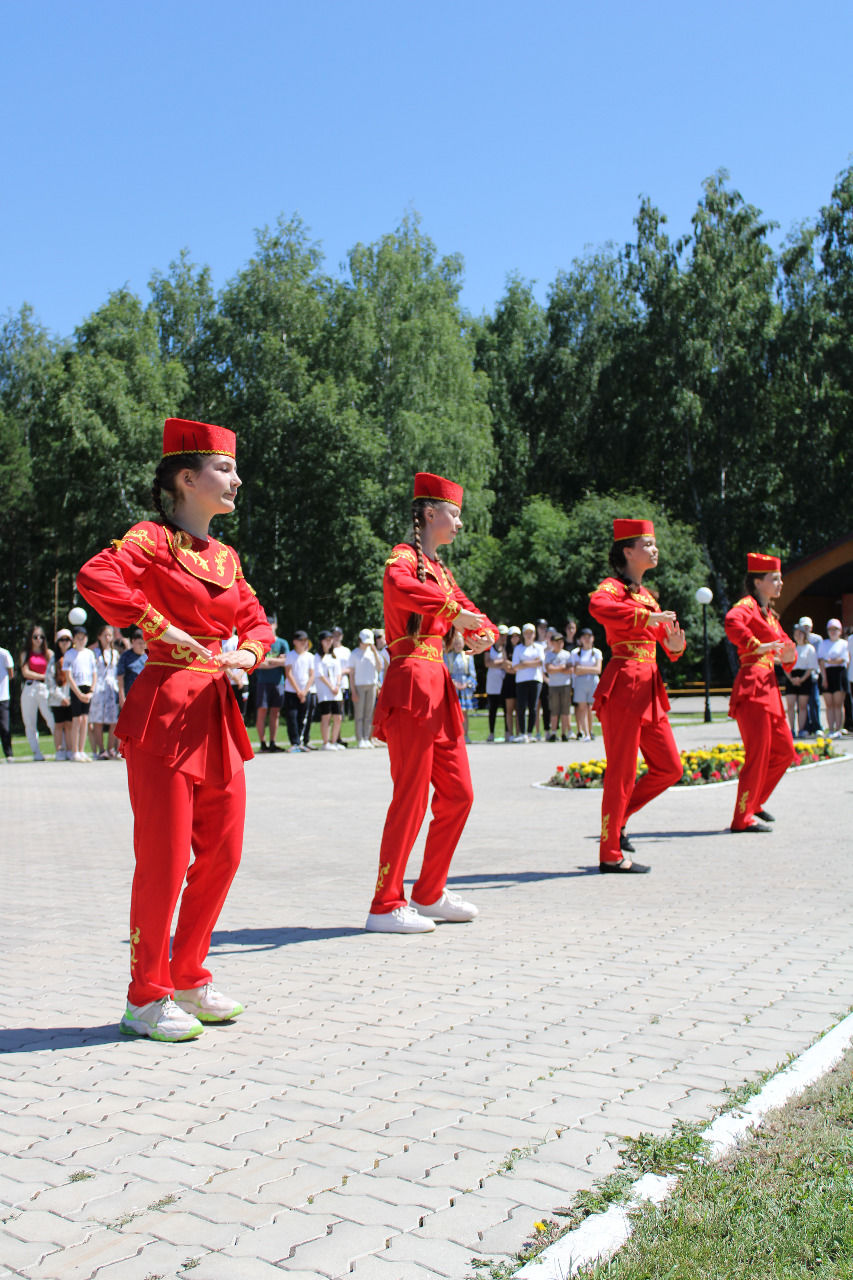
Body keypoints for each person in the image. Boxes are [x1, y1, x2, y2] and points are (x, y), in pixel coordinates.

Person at [76, 416, 273, 1042]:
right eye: (225, 469)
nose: (237, 480)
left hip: (215, 710)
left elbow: (257, 621)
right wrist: (157, 627)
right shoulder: (150, 539)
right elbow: (95, 577)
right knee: (162, 859)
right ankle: (145, 996)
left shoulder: (226, 556)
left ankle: (188, 975)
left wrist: (248, 653)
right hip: (164, 707)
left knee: (225, 849)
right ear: (187, 479)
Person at [366, 471, 496, 933]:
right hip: (412, 680)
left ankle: (428, 892)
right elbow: (403, 588)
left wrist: (485, 632)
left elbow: (473, 612)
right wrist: (456, 613)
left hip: (438, 683)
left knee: (459, 793)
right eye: (454, 514)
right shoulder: (403, 559)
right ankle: (384, 904)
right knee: (411, 796)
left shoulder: (442, 571)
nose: (459, 523)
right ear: (427, 514)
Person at [589, 519, 686, 873]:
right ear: (628, 551)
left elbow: (669, 642)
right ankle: (610, 854)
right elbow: (598, 608)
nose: (654, 549)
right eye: (647, 544)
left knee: (670, 767)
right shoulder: (612, 588)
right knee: (622, 771)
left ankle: (619, 819)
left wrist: (676, 645)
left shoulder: (646, 596)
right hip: (625, 682)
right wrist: (648, 618)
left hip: (648, 686)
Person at [724, 553, 797, 834]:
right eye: (774, 578)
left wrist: (789, 653)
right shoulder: (746, 606)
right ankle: (742, 818)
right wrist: (756, 645)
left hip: (768, 687)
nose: (780, 583)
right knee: (758, 754)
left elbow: (786, 647)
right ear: (757, 581)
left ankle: (753, 803)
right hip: (753, 685)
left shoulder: (768, 614)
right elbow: (732, 622)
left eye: (780, 578)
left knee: (784, 751)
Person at [19, 625, 55, 760]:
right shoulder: (25, 653)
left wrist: (44, 677)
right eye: (35, 636)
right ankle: (36, 752)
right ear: (30, 638)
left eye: (41, 637)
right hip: (29, 688)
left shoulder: (49, 653)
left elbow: (54, 672)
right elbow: (25, 672)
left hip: (45, 689)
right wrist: (43, 676)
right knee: (29, 722)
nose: (38, 639)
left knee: (50, 718)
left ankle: (61, 748)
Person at [254, 614, 288, 752]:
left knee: (275, 713)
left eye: (271, 623)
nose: (269, 625)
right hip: (263, 682)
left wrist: (268, 662)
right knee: (262, 712)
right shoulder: (260, 642)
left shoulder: (282, 643)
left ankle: (273, 742)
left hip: (278, 683)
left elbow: (286, 661)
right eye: (267, 623)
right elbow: (257, 663)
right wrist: (276, 662)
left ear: (276, 625)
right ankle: (263, 743)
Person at [63, 626, 97, 761]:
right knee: (76, 720)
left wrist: (91, 691)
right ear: (74, 639)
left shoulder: (89, 653)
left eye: (83, 638)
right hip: (76, 689)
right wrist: (78, 694)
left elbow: (94, 674)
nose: (81, 640)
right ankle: (74, 751)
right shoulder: (69, 654)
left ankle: (82, 750)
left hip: (87, 687)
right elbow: (68, 676)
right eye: (78, 638)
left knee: (85, 720)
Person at [88, 623, 121, 759]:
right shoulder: (94, 653)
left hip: (112, 688)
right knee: (98, 721)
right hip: (99, 688)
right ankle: (101, 750)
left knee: (114, 720)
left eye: (110, 635)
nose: (108, 638)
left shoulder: (115, 653)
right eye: (105, 635)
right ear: (99, 637)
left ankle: (111, 748)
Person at [782, 624, 818, 738]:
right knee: (791, 705)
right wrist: (791, 679)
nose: (798, 636)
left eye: (800, 633)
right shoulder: (790, 647)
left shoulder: (809, 648)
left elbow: (811, 666)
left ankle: (801, 729)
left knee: (802, 706)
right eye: (796, 633)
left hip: (804, 677)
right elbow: (785, 665)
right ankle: (791, 729)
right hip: (792, 676)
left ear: (804, 635)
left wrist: (801, 679)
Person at [512, 623, 544, 743]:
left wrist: (524, 663)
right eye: (526, 633)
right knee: (521, 707)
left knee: (533, 707)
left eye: (531, 633)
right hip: (521, 681)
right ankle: (522, 733)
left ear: (534, 634)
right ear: (523, 635)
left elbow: (540, 663)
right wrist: (531, 663)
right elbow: (515, 667)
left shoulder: (539, 647)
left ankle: (530, 733)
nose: (529, 635)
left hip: (536, 679)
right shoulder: (518, 648)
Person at [817, 618, 849, 738]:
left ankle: (838, 729)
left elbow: (843, 659)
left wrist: (829, 660)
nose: (833, 631)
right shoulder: (823, 644)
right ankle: (830, 729)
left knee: (838, 704)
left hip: (840, 673)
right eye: (830, 629)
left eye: (835, 629)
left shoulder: (844, 643)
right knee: (829, 704)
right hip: (826, 673)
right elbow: (821, 661)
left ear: (840, 630)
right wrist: (824, 677)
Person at [284, 630, 314, 751]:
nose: (303, 643)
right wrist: (298, 691)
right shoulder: (290, 655)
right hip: (292, 691)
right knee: (292, 717)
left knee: (304, 717)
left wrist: (305, 691)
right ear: (295, 642)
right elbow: (288, 673)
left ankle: (302, 741)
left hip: (306, 691)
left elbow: (312, 675)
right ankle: (294, 743)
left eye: (305, 640)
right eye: (301, 640)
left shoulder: (310, 657)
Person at [445, 629, 477, 742]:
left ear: (463, 643)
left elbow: (472, 673)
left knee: (464, 713)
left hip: (464, 687)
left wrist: (467, 683)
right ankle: (454, 735)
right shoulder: (448, 656)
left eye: (460, 643)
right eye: (456, 643)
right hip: (453, 686)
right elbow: (446, 673)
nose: (458, 645)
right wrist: (453, 683)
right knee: (452, 712)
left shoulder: (468, 656)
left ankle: (465, 735)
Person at [350, 628, 380, 748]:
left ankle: (367, 737)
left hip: (372, 684)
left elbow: (379, 667)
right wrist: (353, 691)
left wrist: (375, 652)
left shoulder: (372, 653)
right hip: (359, 685)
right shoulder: (354, 653)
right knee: (359, 713)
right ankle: (360, 738)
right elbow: (351, 674)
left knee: (369, 713)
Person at [315, 629, 345, 750]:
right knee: (326, 716)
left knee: (338, 717)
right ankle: (325, 742)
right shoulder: (317, 657)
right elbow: (320, 674)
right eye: (326, 640)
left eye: (330, 640)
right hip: (325, 691)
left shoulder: (334, 656)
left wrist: (337, 685)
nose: (329, 642)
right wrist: (331, 687)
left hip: (336, 691)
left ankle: (334, 741)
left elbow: (339, 672)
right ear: (321, 642)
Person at [571, 628, 603, 742]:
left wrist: (582, 668)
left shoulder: (597, 652)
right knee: (582, 707)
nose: (587, 639)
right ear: (580, 639)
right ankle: (585, 733)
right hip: (580, 682)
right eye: (584, 637)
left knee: (590, 707)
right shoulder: (575, 652)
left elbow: (598, 669)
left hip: (593, 681)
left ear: (592, 638)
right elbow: (575, 670)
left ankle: (590, 730)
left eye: (589, 636)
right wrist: (590, 669)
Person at [46, 629, 73, 760]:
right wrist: (61, 697)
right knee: (59, 725)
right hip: (57, 698)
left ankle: (69, 749)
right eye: (62, 640)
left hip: (71, 697)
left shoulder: (74, 656)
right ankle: (59, 750)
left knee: (69, 724)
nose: (64, 642)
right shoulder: (53, 659)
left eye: (67, 639)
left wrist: (70, 697)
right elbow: (49, 680)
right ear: (57, 642)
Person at [545, 630, 573, 742]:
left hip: (565, 685)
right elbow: (549, 670)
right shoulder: (549, 655)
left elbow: (570, 670)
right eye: (557, 642)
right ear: (552, 643)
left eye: (561, 641)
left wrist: (556, 668)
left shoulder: (567, 654)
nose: (559, 644)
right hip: (553, 685)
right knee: (554, 710)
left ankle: (564, 733)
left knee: (565, 710)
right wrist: (562, 667)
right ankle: (553, 732)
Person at [484, 624, 508, 741]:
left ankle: (507, 732)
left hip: (504, 683)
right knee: (492, 710)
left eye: (505, 636)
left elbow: (507, 663)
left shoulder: (506, 649)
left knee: (506, 710)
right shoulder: (489, 648)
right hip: (492, 684)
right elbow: (487, 663)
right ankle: (491, 733)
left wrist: (497, 663)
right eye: (502, 635)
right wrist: (501, 662)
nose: (503, 638)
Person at [116, 628, 149, 706]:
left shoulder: (149, 656)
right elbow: (120, 678)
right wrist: (121, 697)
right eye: (140, 643)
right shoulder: (125, 656)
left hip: (145, 696)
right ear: (133, 641)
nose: (142, 646)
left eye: (144, 643)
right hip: (129, 696)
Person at [0, 642, 14, 761]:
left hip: (2, 697)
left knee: (5, 727)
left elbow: (11, 674)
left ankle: (9, 754)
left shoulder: (4, 654)